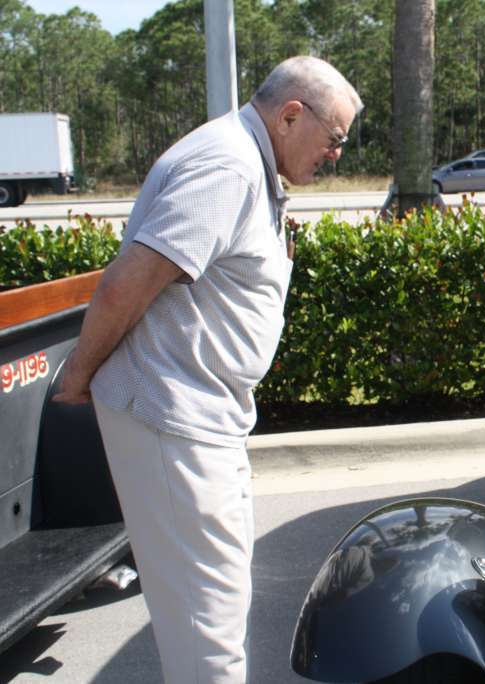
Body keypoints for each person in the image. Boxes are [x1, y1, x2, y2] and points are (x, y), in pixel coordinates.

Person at [53, 56, 362, 683]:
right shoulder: (227, 166)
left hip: (198, 415)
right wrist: (77, 376)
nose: (336, 155)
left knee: (212, 614)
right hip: (176, 417)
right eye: (334, 139)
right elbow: (127, 283)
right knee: (208, 630)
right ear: (290, 115)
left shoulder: (247, 158)